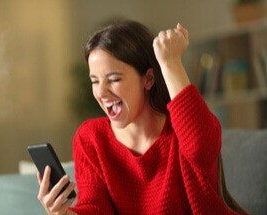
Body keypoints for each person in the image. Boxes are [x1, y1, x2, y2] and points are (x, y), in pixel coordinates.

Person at [37, 20, 247, 215]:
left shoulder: (183, 129)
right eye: (94, 81)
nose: (101, 92)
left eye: (113, 79)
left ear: (148, 79)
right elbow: (95, 208)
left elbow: (201, 146)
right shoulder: (90, 138)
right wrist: (63, 213)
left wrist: (170, 62)